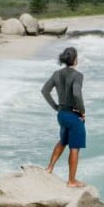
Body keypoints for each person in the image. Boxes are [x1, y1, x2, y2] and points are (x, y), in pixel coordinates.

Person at [41, 46, 87, 187]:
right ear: (75, 60)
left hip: (61, 114)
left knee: (63, 141)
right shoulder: (78, 75)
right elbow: (77, 94)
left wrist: (56, 107)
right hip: (73, 115)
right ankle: (71, 181)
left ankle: (49, 168)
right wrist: (82, 111)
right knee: (74, 148)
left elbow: (44, 91)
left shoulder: (56, 74)